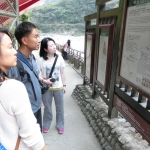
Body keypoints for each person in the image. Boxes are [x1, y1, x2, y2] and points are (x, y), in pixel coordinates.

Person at [0, 29, 46, 149]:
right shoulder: (12, 86)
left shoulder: (32, 58)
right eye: (10, 47)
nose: (14, 51)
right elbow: (31, 135)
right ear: (24, 40)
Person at [7, 22, 43, 132]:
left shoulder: (32, 57)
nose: (39, 40)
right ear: (24, 40)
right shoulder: (15, 64)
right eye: (36, 36)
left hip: (37, 108)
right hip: (26, 115)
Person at [37, 37, 66, 134]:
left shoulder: (60, 58)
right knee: (47, 107)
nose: (54, 47)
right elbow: (38, 74)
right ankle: (46, 124)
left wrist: (64, 85)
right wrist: (44, 80)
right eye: (51, 45)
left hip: (59, 87)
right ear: (45, 49)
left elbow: (62, 73)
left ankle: (60, 125)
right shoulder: (40, 60)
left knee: (60, 108)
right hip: (46, 88)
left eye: (54, 44)